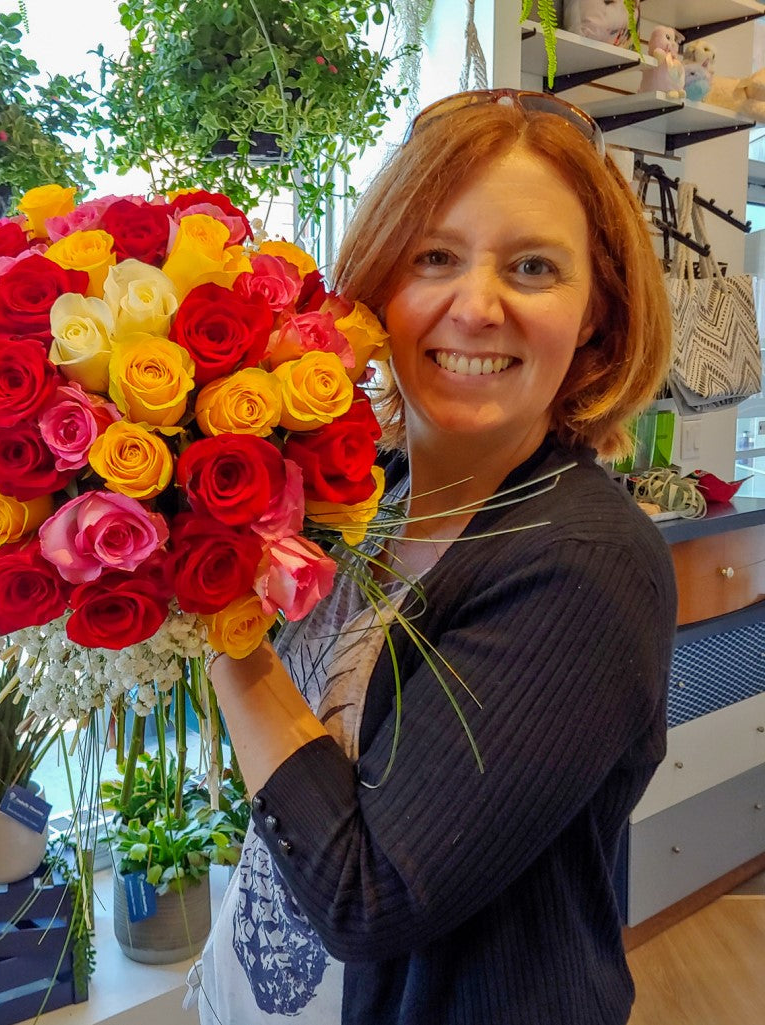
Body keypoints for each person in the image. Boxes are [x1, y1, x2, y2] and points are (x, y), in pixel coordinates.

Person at [195, 89, 678, 1025]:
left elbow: (366, 893)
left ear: (595, 316)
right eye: (435, 257)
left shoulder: (584, 563)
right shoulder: (365, 492)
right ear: (378, 282)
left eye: (533, 267)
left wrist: (214, 616)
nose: (476, 305)